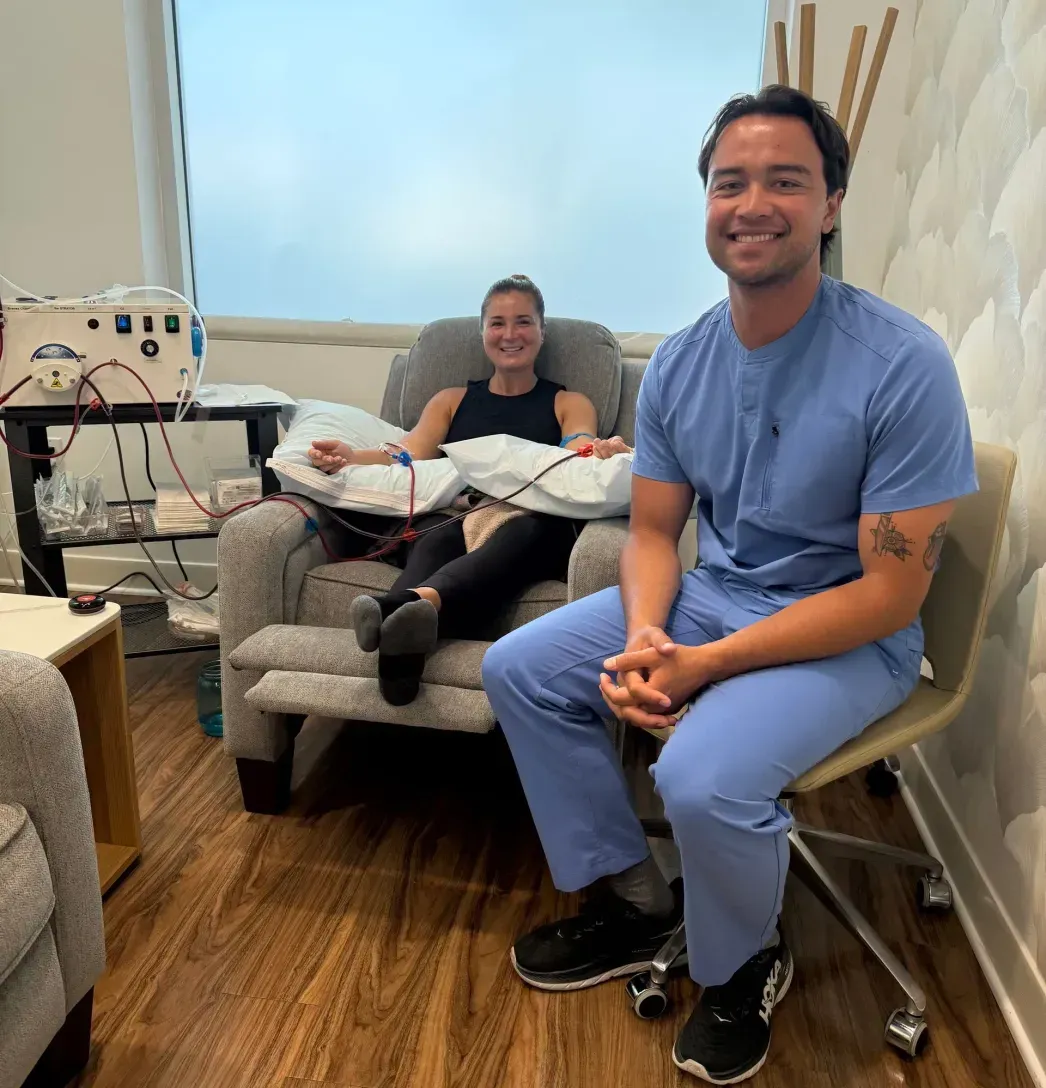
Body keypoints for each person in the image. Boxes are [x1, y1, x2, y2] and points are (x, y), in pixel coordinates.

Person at [481, 86, 977, 1085]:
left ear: (830, 204)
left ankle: (745, 957)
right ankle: (635, 895)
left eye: (784, 180)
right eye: (727, 182)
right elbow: (656, 530)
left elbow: (888, 596)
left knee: (698, 776)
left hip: (848, 631)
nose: (750, 203)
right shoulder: (677, 365)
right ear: (704, 202)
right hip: (716, 594)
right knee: (520, 666)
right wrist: (648, 636)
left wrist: (700, 663)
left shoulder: (902, 365)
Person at [308, 274, 631, 706]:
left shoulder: (568, 402)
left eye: (523, 322)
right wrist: (349, 455)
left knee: (525, 532)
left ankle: (396, 609)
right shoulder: (451, 400)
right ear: (482, 333)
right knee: (435, 534)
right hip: (454, 514)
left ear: (541, 331)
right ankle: (405, 634)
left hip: (529, 522)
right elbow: (407, 454)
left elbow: (578, 448)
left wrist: (602, 451)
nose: (510, 334)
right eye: (497, 323)